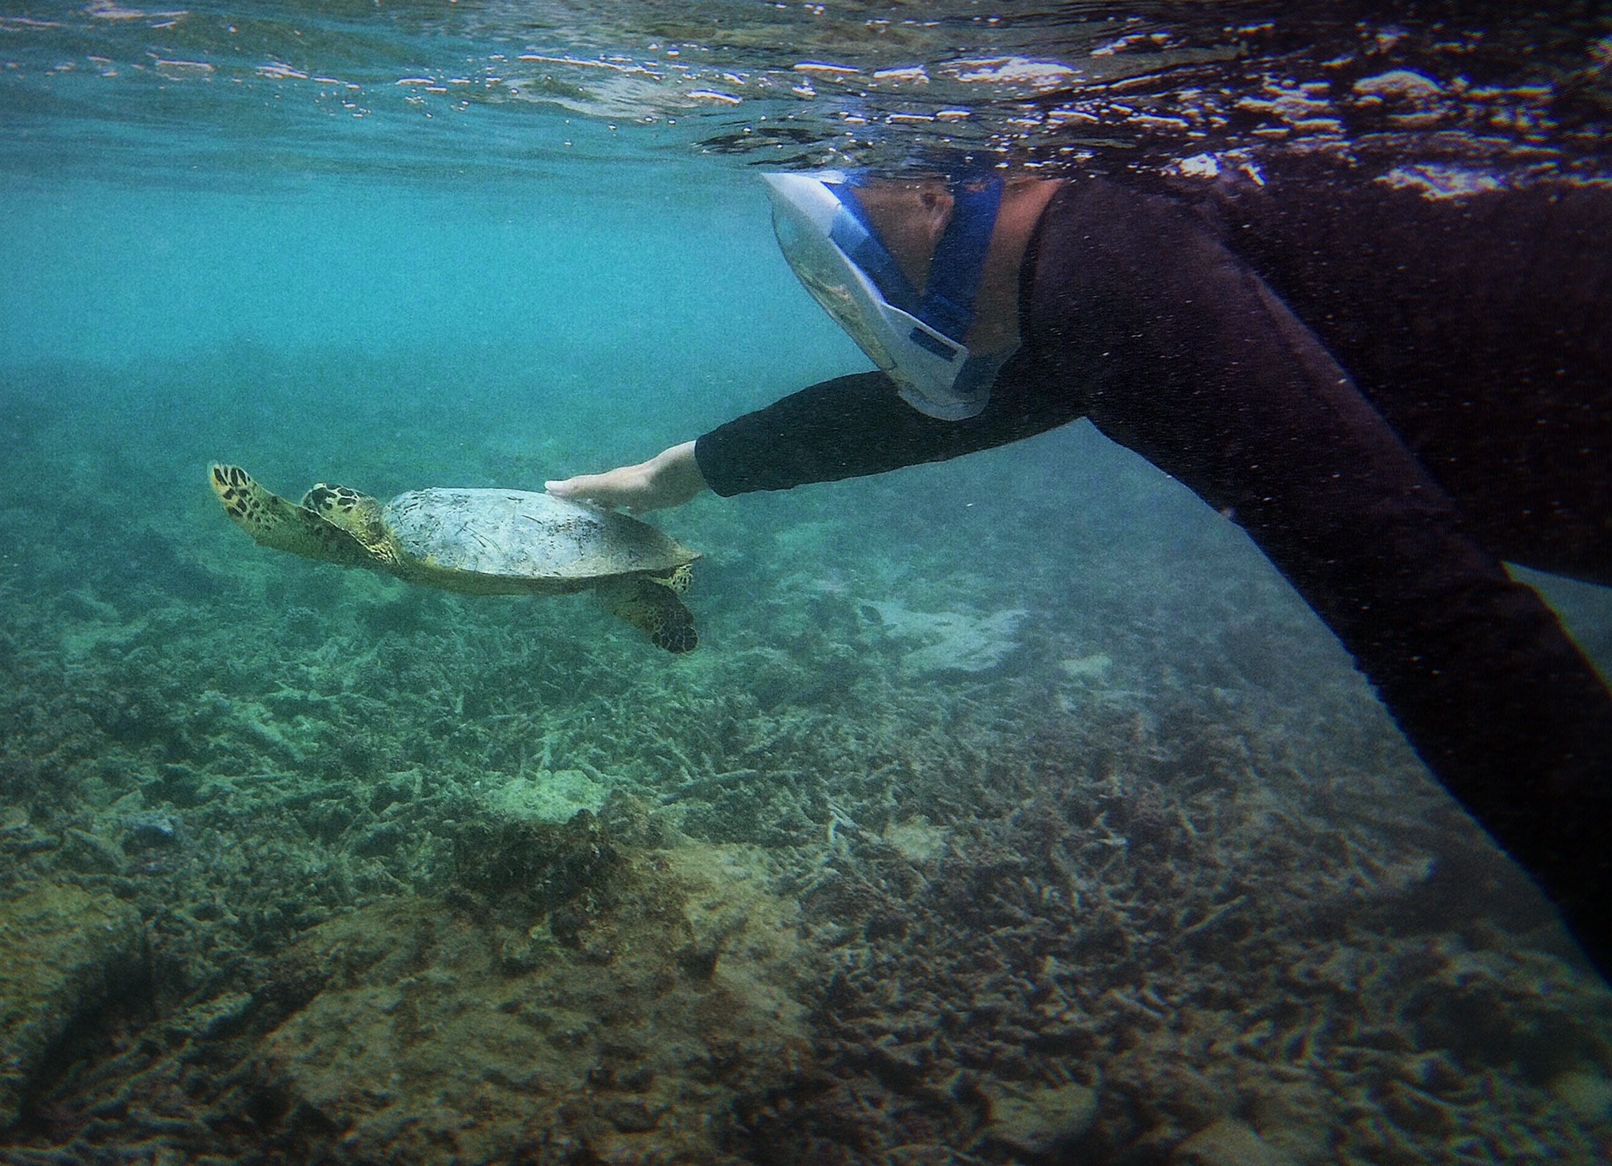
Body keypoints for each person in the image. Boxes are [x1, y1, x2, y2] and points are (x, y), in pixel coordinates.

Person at [546, 156, 1612, 978]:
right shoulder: (1092, 267)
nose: (839, 293)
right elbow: (934, 416)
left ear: (929, 191)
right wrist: (684, 470)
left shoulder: (1112, 275)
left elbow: (1439, 621)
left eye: (843, 239)